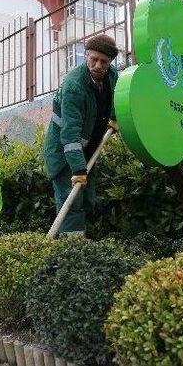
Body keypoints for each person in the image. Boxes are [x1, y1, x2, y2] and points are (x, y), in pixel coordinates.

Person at [43, 34, 119, 235]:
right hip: (65, 153)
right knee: (72, 203)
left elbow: (116, 98)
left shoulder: (112, 76)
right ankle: (71, 254)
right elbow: (69, 134)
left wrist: (114, 117)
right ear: (86, 56)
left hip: (89, 148)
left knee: (87, 200)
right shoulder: (74, 86)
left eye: (104, 61)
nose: (98, 65)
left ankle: (81, 246)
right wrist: (78, 168)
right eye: (93, 59)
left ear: (110, 62)